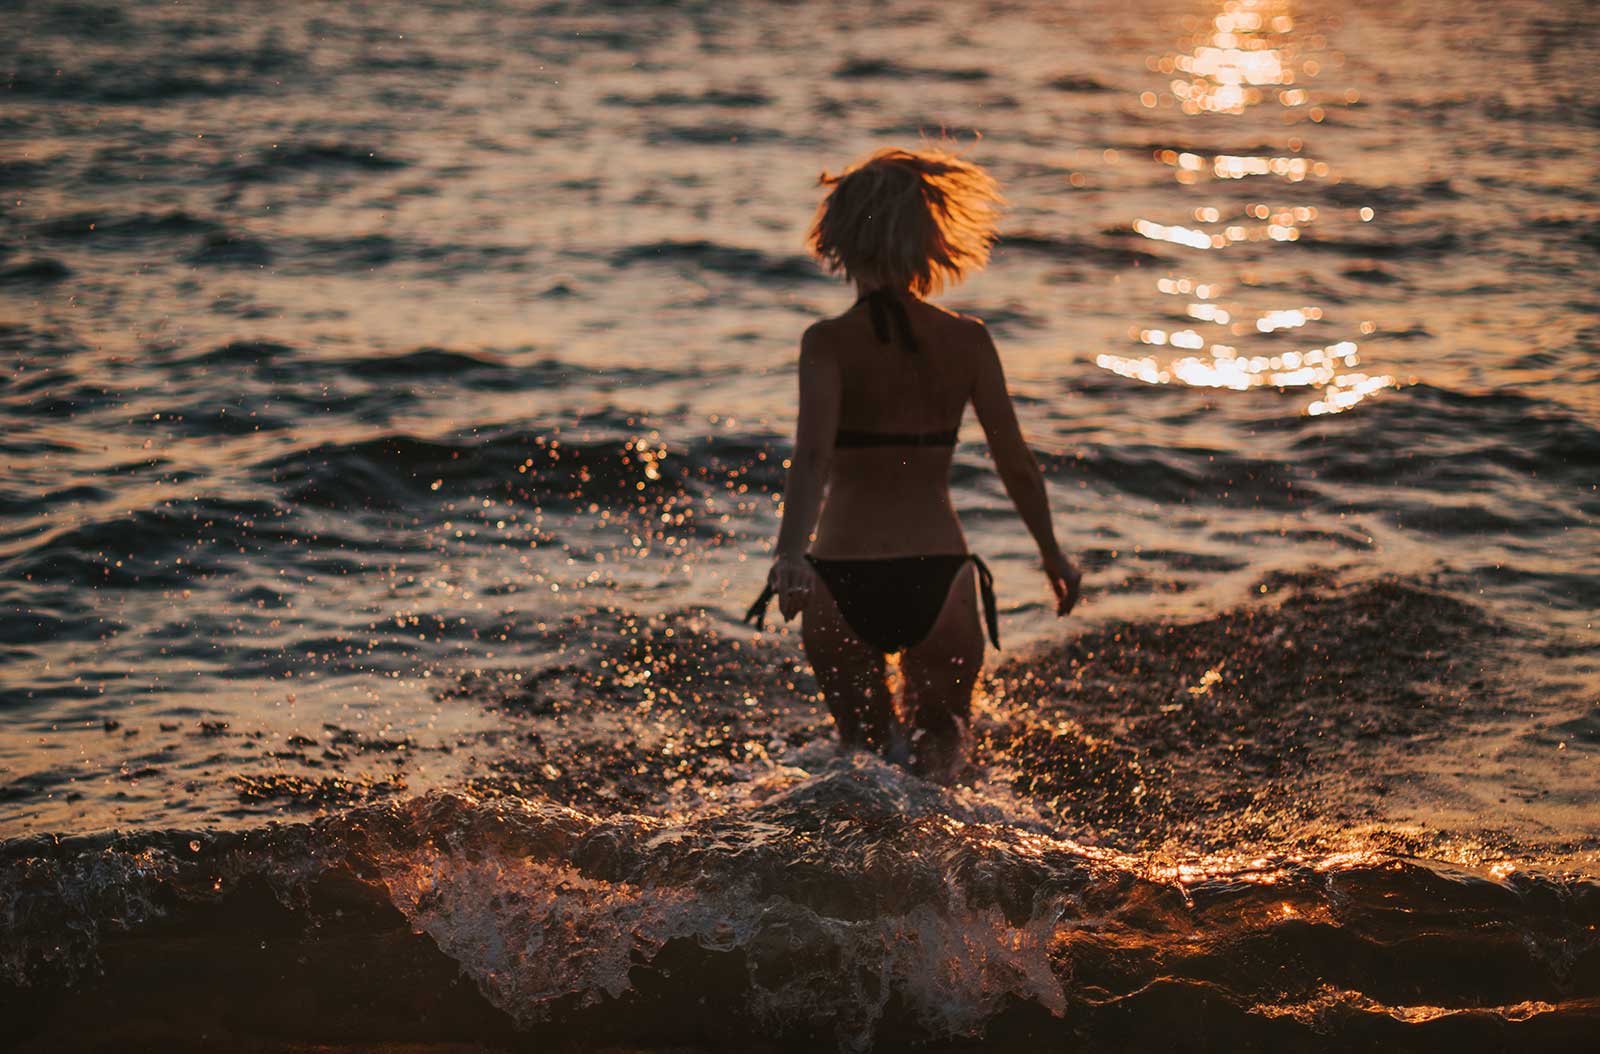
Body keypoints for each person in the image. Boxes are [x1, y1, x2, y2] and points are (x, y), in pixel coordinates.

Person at [746, 146, 1081, 777]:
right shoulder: (969, 340)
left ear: (839, 238)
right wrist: (1051, 555)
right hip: (942, 578)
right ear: (931, 241)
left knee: (861, 771)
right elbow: (1015, 463)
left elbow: (812, 460)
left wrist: (789, 555)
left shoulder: (826, 344)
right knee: (946, 771)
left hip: (839, 579)